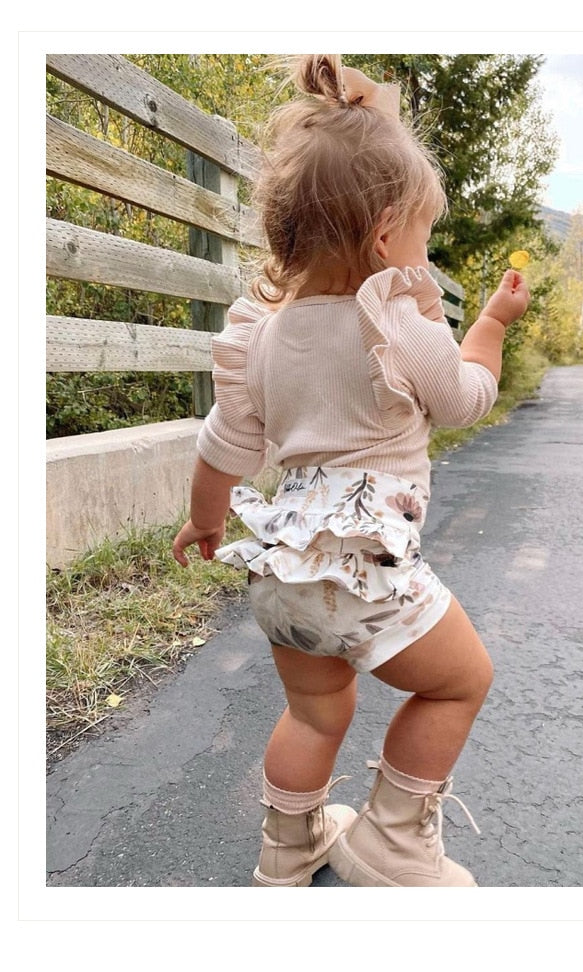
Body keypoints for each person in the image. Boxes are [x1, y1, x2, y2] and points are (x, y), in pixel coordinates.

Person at [172, 54, 530, 888]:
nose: (424, 251)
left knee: (315, 709)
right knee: (458, 683)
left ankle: (287, 853)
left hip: (283, 575)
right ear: (385, 233)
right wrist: (488, 324)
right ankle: (394, 846)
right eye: (422, 234)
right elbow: (468, 399)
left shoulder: (260, 332)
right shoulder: (398, 323)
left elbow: (223, 444)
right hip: (363, 572)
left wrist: (208, 520)